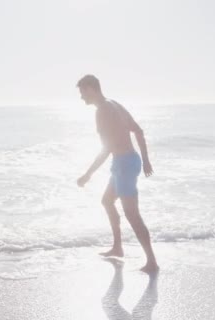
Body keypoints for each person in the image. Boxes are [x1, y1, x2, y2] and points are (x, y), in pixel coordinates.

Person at [75, 74, 158, 274]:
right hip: (127, 161)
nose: (81, 97)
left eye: (82, 92)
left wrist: (88, 174)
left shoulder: (103, 111)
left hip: (124, 165)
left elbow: (106, 149)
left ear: (91, 89)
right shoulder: (115, 105)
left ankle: (152, 262)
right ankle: (118, 247)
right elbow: (138, 131)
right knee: (107, 201)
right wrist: (144, 159)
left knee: (132, 214)